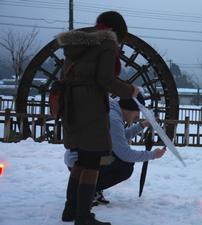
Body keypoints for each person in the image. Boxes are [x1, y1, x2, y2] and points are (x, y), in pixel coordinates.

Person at [57, 11, 139, 225]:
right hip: (91, 107)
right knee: (92, 161)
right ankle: (83, 217)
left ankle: (70, 210)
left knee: (82, 160)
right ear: (117, 30)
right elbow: (105, 80)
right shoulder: (106, 43)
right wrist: (130, 90)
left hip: (72, 105)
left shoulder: (79, 44)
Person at [64, 95, 166, 205]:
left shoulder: (112, 112)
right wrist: (153, 154)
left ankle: (90, 188)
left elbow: (118, 137)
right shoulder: (113, 118)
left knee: (117, 160)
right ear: (131, 108)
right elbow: (125, 154)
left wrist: (141, 125)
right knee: (125, 165)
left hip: (82, 157)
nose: (138, 116)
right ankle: (89, 188)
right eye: (138, 111)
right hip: (81, 161)